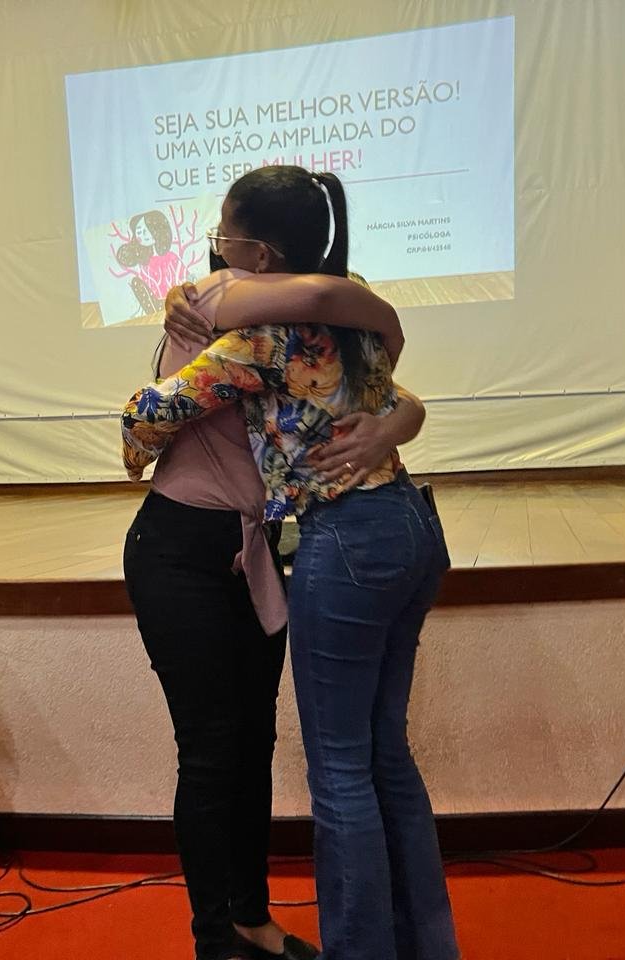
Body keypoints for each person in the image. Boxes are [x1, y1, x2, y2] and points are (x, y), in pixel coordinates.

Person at [123, 165, 459, 960]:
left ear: (259, 254)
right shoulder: (351, 313)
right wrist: (396, 416)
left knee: (336, 769)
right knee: (370, 754)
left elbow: (147, 417)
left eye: (224, 236)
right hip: (403, 525)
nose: (214, 249)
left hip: (336, 538)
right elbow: (397, 390)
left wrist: (139, 426)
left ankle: (342, 945)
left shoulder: (256, 334)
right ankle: (400, 944)